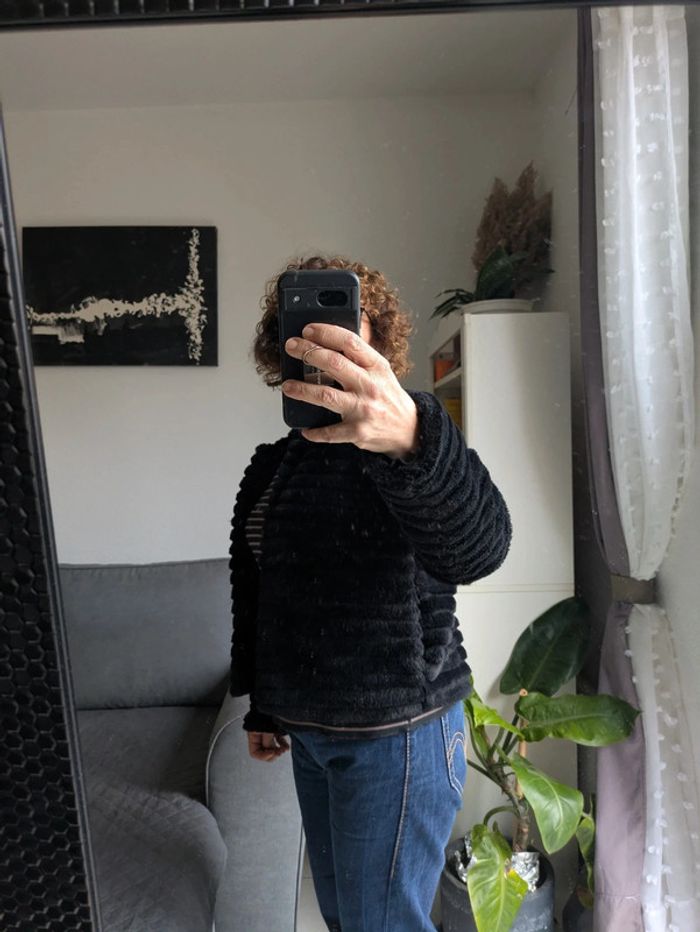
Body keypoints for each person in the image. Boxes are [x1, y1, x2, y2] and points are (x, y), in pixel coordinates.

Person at [228, 254, 512, 932]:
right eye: (304, 328)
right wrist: (262, 703)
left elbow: (480, 551)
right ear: (282, 346)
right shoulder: (274, 464)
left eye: (345, 326)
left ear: (377, 342)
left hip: (399, 736)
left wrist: (411, 437)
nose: (326, 344)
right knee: (346, 918)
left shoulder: (413, 442)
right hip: (312, 731)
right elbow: (259, 591)